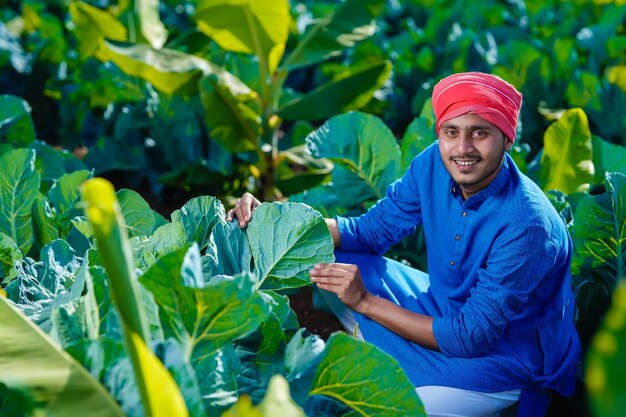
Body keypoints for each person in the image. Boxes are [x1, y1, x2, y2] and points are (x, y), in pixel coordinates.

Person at [226, 72, 581, 417]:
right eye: (451, 132)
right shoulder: (433, 163)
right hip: (442, 306)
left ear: (508, 138)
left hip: (507, 351)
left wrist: (365, 302)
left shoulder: (527, 224)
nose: (463, 149)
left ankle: (419, 368)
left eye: (480, 133)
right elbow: (369, 232)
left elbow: (471, 337)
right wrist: (273, 219)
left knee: (405, 403)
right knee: (333, 254)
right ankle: (392, 349)